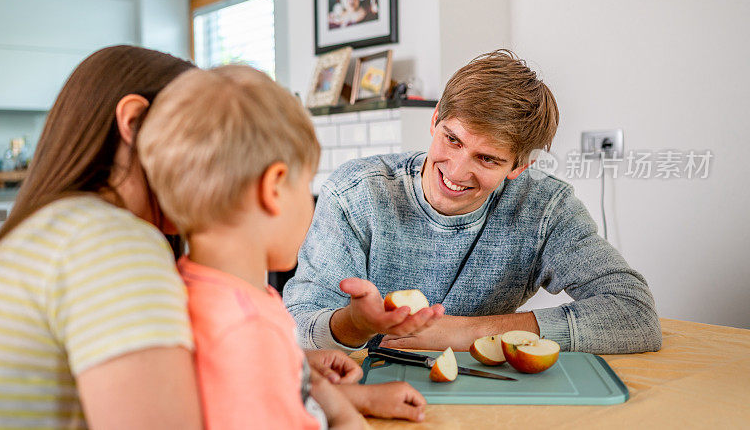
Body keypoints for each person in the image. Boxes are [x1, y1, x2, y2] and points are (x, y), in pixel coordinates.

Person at [284, 49, 663, 355]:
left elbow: (634, 313)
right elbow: (297, 324)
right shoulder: (355, 193)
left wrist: (470, 332)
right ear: (435, 120)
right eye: (452, 139)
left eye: (487, 159)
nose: (457, 171)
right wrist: (355, 324)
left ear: (519, 165)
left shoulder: (544, 208)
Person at [137, 66, 427, 429]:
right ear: (273, 189)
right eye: (305, 184)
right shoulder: (247, 326)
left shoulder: (195, 290)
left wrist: (347, 395)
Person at [0, 45, 202, 428]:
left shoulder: (58, 224)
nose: (219, 160)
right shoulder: (111, 241)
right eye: (205, 135)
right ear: (134, 122)